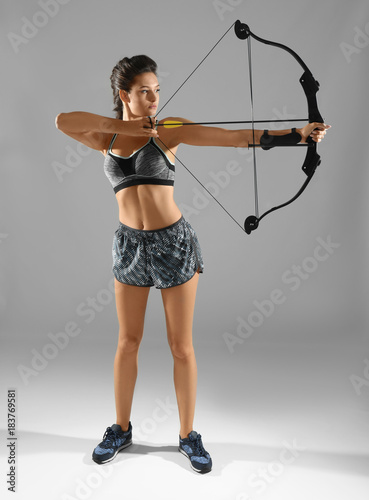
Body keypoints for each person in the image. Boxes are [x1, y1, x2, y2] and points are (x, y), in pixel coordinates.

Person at [55, 55, 330, 474]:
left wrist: (299, 134)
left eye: (157, 90)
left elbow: (236, 139)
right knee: (127, 342)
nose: (153, 99)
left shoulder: (169, 130)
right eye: (144, 91)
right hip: (128, 246)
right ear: (123, 95)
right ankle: (121, 428)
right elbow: (62, 120)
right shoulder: (107, 137)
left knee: (180, 346)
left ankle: (187, 436)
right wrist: (125, 128)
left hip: (172, 243)